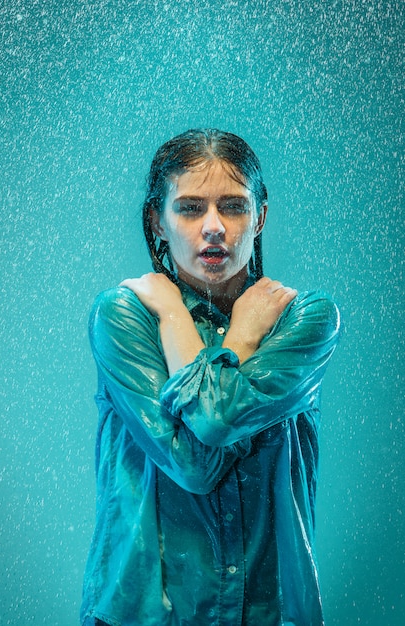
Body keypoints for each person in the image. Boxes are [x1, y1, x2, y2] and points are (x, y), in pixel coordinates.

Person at [80, 128, 341, 626]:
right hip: (144, 613)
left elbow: (214, 420)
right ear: (157, 220)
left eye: (235, 206)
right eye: (191, 207)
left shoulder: (306, 320)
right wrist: (185, 318)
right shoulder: (124, 316)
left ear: (261, 217)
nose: (215, 227)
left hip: (269, 611)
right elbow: (195, 466)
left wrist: (227, 332)